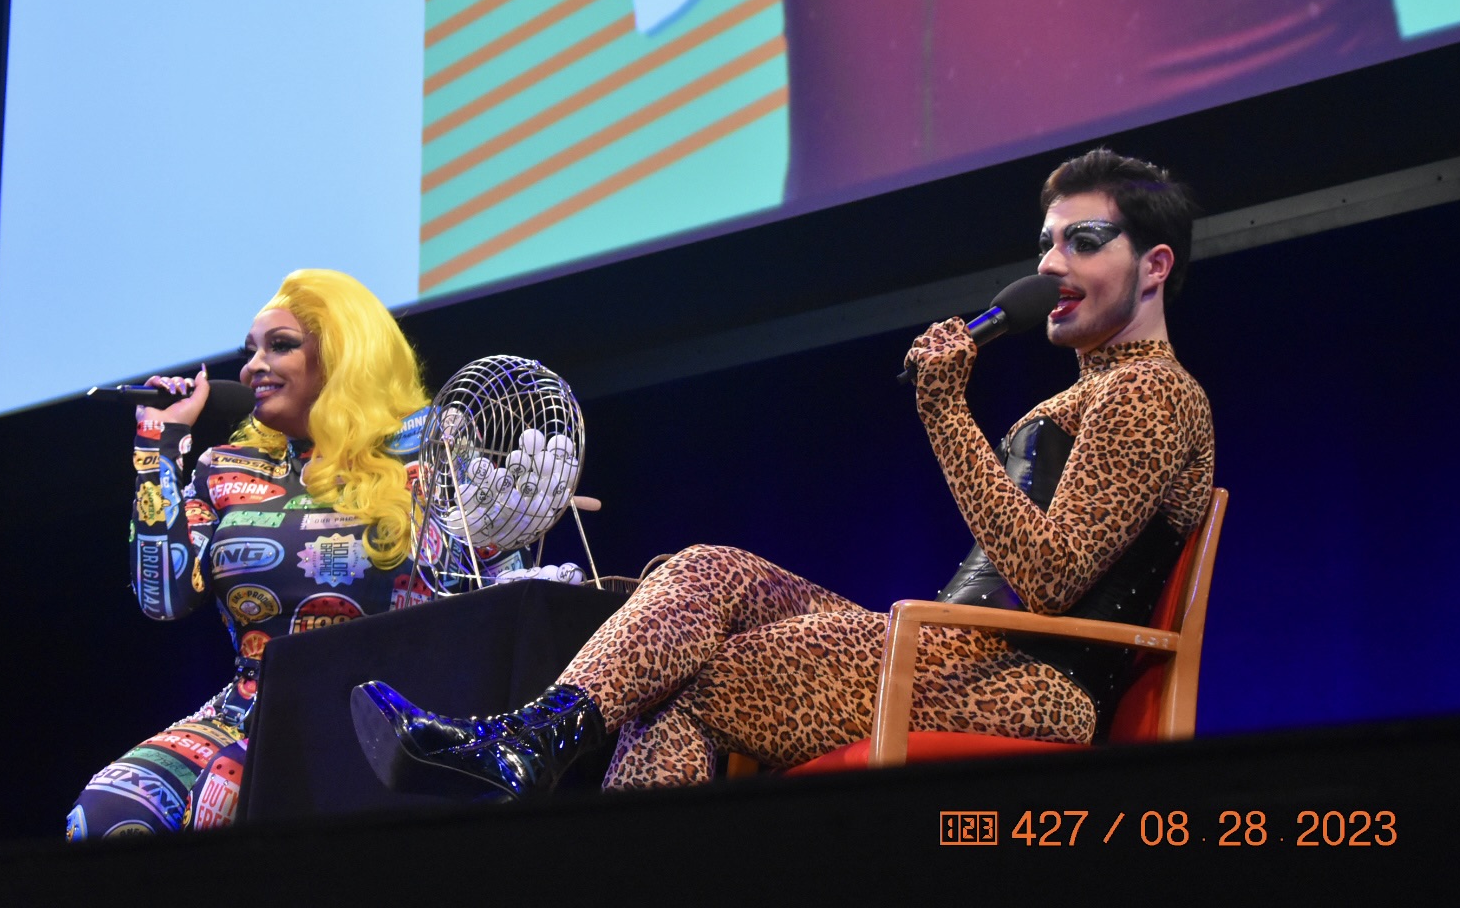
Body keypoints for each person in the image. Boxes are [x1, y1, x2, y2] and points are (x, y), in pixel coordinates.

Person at [350, 149, 1214, 798]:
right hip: (956, 653)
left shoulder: (1150, 395)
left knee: (692, 681)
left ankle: (552, 789)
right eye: (1046, 242)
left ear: (1155, 266)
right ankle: (533, 738)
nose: (1051, 264)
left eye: (1084, 241)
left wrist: (946, 414)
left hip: (1030, 687)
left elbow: (1054, 575)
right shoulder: (1091, 395)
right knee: (702, 570)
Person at [67, 269, 433, 839]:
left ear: (343, 355)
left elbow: (489, 585)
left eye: (280, 346)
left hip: (385, 708)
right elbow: (161, 599)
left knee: (244, 794)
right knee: (106, 817)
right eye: (250, 352)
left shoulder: (422, 455)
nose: (251, 368)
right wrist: (158, 446)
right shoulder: (226, 469)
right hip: (249, 708)